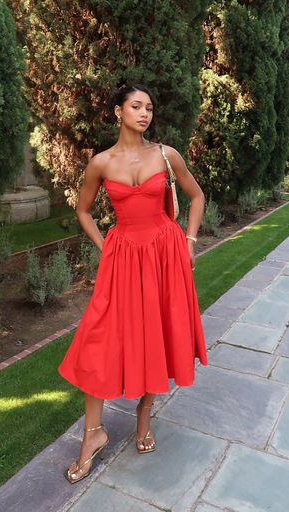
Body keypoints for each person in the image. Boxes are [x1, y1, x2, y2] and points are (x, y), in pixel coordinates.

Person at [58, 84, 208, 484]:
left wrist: (189, 241)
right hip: (123, 257)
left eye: (149, 108)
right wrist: (104, 244)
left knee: (155, 331)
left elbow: (196, 197)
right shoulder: (101, 163)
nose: (145, 114)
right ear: (117, 112)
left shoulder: (165, 154)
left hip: (164, 253)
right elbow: (84, 210)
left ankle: (144, 413)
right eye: (136, 106)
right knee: (99, 337)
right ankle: (93, 433)